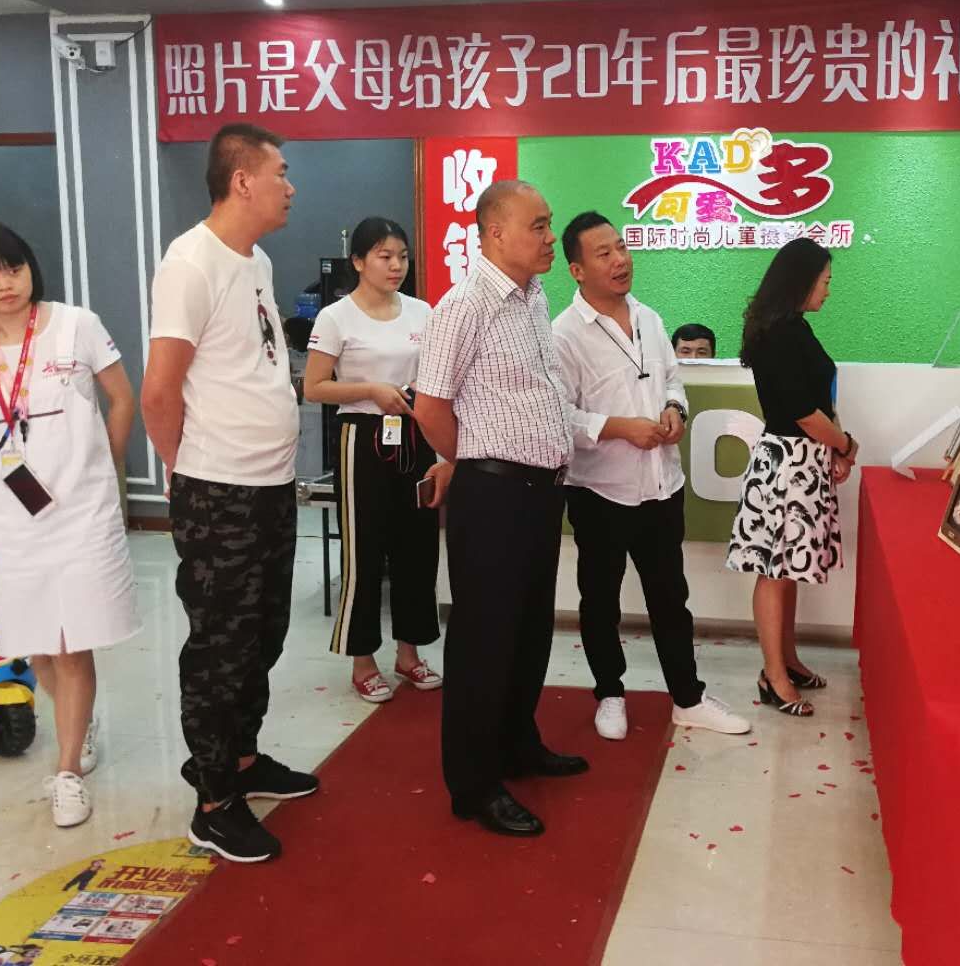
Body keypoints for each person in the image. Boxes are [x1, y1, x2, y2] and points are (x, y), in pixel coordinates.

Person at [142, 122, 318, 864]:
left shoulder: (257, 260)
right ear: (242, 180)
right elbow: (159, 390)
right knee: (220, 648)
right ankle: (214, 802)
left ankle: (242, 759)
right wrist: (184, 469)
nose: (290, 186)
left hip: (270, 484)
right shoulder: (191, 262)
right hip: (219, 489)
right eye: (281, 172)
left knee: (264, 634)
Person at [0, 222, 139, 828]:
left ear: (31, 267)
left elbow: (121, 399)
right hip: (14, 517)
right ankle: (82, 719)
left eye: (15, 268)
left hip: (82, 509)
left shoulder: (77, 325)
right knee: (38, 640)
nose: (6, 284)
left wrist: (106, 470)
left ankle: (68, 769)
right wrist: (11, 480)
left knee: (72, 640)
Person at [415, 179, 587, 838]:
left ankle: (518, 744)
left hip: (540, 492)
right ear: (494, 233)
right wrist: (471, 460)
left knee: (529, 630)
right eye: (538, 226)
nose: (550, 237)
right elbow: (430, 405)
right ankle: (474, 784)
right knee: (484, 641)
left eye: (549, 223)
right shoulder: (464, 306)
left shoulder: (534, 297)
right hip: (491, 494)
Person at [552, 212, 750, 740]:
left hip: (663, 484)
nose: (621, 261)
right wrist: (619, 428)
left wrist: (674, 410)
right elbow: (559, 415)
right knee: (601, 600)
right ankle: (610, 694)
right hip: (600, 490)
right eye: (604, 254)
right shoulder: (563, 334)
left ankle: (688, 697)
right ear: (577, 270)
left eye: (621, 248)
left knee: (670, 598)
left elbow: (673, 381)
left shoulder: (650, 319)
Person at [303, 216, 452, 702]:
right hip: (362, 438)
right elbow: (314, 387)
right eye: (384, 256)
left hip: (416, 434)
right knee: (365, 552)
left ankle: (409, 654)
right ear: (358, 261)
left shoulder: (422, 312)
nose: (396, 266)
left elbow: (438, 376)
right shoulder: (336, 317)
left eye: (402, 257)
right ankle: (363, 661)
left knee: (418, 548)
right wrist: (370, 389)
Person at [726, 237, 855, 718]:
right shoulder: (779, 334)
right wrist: (844, 444)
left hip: (804, 460)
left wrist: (835, 446)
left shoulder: (793, 327)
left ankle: (788, 661)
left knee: (789, 568)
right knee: (773, 571)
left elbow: (817, 401)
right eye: (825, 281)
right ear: (801, 281)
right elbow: (802, 411)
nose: (828, 290)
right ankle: (773, 675)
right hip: (787, 464)